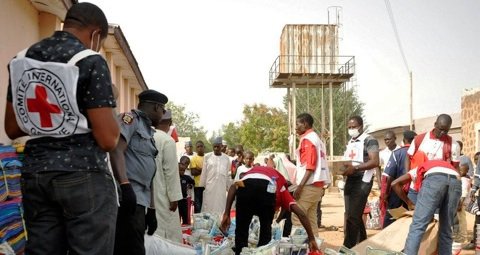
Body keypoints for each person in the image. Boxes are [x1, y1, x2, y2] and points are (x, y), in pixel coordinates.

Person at [4, 3, 119, 254]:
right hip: (82, 175)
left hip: (36, 175)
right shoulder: (90, 60)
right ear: (96, 34)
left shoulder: (20, 60)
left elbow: (12, 128)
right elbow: (108, 140)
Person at [109, 89, 167, 255]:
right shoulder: (130, 120)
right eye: (163, 110)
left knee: (133, 246)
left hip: (141, 200)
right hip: (127, 198)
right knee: (131, 248)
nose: (163, 114)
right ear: (156, 107)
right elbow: (116, 150)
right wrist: (125, 186)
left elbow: (149, 174)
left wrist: (153, 210)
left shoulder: (149, 131)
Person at [220, 166, 320, 255]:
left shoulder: (250, 174)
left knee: (241, 233)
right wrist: (311, 238)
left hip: (245, 188)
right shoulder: (282, 189)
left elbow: (234, 187)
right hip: (266, 189)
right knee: (265, 234)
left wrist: (226, 213)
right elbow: (301, 214)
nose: (276, 210)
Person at [403, 160, 461, 254]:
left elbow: (395, 184)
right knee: (446, 229)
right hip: (456, 181)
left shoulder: (416, 170)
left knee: (418, 226)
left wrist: (409, 202)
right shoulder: (442, 164)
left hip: (435, 179)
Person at [342, 115, 379, 248]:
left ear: (361, 126)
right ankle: (363, 242)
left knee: (352, 217)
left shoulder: (370, 140)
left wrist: (355, 168)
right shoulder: (351, 142)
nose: (351, 129)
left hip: (363, 180)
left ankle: (347, 248)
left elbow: (375, 161)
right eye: (349, 127)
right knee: (352, 214)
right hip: (350, 179)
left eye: (354, 127)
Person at [291, 113, 331, 237]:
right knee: (311, 220)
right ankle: (315, 249)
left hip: (309, 185)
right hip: (317, 186)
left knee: (297, 216)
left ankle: (298, 249)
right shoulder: (317, 139)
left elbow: (310, 166)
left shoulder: (308, 139)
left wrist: (300, 187)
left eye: (298, 124)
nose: (296, 127)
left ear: (306, 124)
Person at [152, 109, 183, 243]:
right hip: (163, 195)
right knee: (167, 232)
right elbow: (171, 173)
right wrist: (174, 198)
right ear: (170, 123)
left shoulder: (146, 135)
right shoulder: (167, 141)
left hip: (146, 195)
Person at [381, 130, 416, 227]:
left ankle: (386, 239)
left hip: (397, 192)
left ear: (404, 140)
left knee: (390, 218)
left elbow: (390, 176)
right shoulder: (418, 153)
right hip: (413, 192)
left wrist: (386, 192)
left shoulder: (397, 153)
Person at [200, 137, 231, 215]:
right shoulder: (207, 156)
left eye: (218, 146)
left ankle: (219, 223)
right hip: (209, 186)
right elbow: (204, 172)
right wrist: (203, 185)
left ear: (222, 146)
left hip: (221, 187)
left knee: (220, 206)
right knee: (208, 206)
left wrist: (228, 187)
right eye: (215, 146)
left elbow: (227, 174)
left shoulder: (226, 158)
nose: (216, 148)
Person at [453, 163, 471, 243]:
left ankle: (463, 237)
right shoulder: (466, 179)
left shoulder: (463, 180)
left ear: (467, 171)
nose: (459, 171)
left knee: (461, 220)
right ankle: (462, 236)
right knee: (460, 219)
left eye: (461, 170)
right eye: (459, 170)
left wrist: (459, 204)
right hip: (461, 202)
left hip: (461, 203)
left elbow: (463, 194)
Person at [178, 156, 195, 225]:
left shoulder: (186, 177)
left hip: (184, 199)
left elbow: (193, 182)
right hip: (177, 199)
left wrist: (190, 185)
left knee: (185, 214)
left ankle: (186, 226)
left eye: (183, 170)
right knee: (177, 216)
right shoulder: (174, 177)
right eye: (180, 170)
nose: (182, 171)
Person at [190, 140, 205, 213]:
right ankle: (197, 222)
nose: (200, 148)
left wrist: (199, 169)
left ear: (204, 147)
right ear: (196, 149)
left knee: (206, 204)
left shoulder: (208, 158)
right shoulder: (193, 158)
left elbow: (209, 171)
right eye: (198, 147)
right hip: (198, 185)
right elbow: (193, 172)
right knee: (198, 205)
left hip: (207, 185)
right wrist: (204, 169)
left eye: (201, 146)